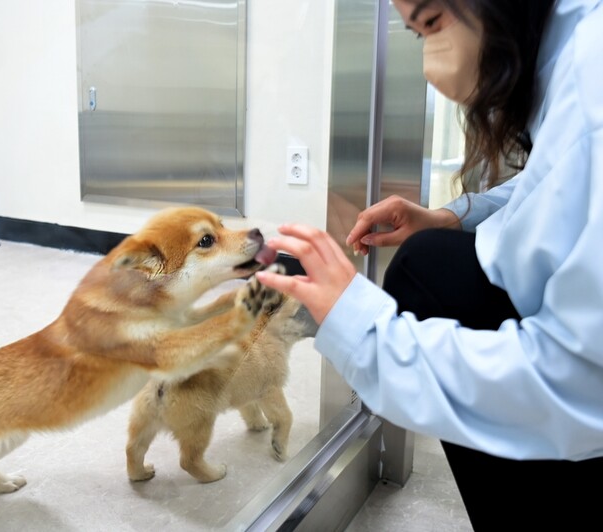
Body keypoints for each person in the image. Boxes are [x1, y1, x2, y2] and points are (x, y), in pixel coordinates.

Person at [256, 0, 603, 529]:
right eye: (417, 35)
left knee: (424, 270)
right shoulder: (572, 48)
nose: (431, 64)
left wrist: (364, 331)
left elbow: (581, 386)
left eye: (432, 22)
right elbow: (555, 181)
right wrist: (452, 217)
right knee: (432, 258)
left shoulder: (591, 89)